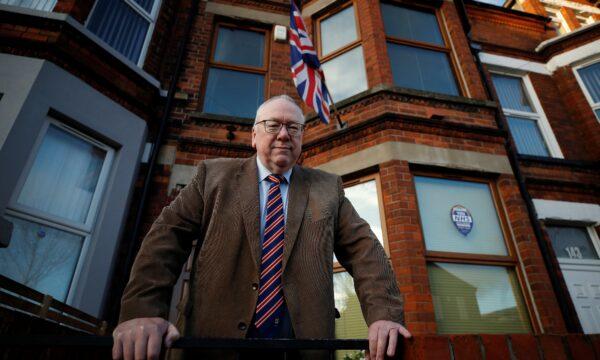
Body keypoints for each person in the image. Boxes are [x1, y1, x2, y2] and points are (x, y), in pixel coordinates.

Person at [112, 95, 411, 360]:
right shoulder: (212, 177)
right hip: (211, 345)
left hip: (300, 348)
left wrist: (384, 316)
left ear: (302, 138)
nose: (283, 134)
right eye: (273, 125)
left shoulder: (327, 188)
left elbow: (365, 252)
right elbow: (165, 239)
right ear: (254, 136)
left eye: (293, 127)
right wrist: (142, 312)